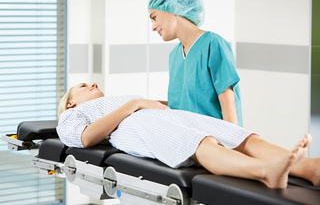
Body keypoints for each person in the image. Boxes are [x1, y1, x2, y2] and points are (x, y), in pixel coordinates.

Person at [57, 83, 320, 189]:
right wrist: (135, 104)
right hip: (133, 127)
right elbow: (86, 139)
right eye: (83, 86)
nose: (92, 84)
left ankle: (309, 168)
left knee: (239, 136)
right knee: (202, 144)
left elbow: (155, 103)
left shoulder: (116, 100)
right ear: (70, 103)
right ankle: (265, 171)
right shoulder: (71, 116)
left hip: (164, 115)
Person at [148, 0, 243, 126]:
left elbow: (229, 106)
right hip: (189, 140)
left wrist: (230, 146)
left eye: (154, 18)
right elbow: (182, 107)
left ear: (175, 8)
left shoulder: (213, 44)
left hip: (217, 142)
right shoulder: (174, 56)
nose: (153, 27)